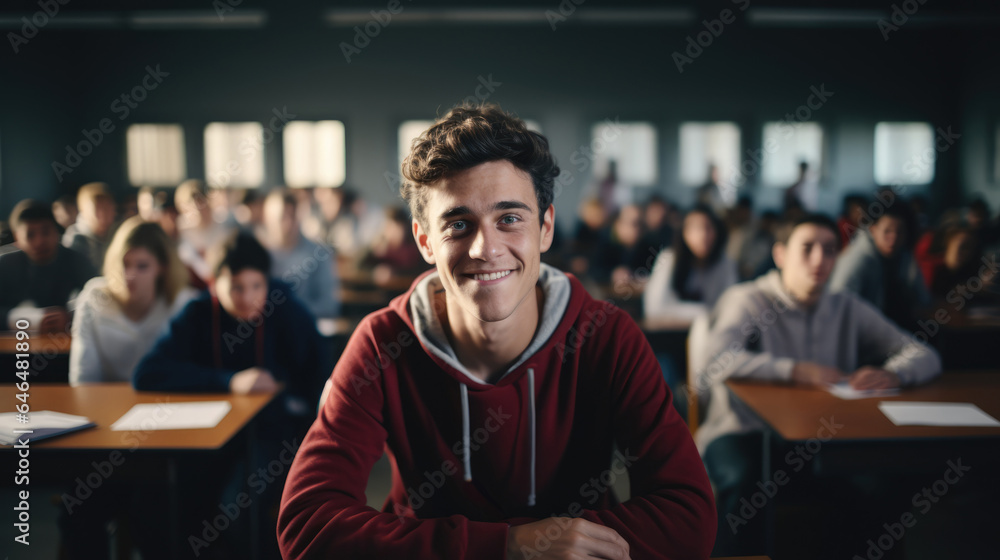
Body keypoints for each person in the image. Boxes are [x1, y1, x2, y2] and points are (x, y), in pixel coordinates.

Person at [277, 104, 716, 560]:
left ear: (545, 228)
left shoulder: (607, 336)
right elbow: (307, 526)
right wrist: (507, 547)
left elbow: (689, 518)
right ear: (425, 241)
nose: (485, 249)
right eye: (458, 224)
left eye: (509, 219)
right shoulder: (382, 343)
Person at [694, 213, 941, 555]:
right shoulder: (749, 299)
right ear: (780, 254)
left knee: (880, 484)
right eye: (807, 248)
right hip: (743, 430)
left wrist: (896, 374)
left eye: (829, 250)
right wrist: (794, 370)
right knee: (747, 480)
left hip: (823, 437)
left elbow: (923, 353)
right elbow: (714, 360)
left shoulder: (846, 306)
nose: (819, 260)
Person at [69, 217, 195, 385]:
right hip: (106, 400)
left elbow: (190, 374)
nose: (130, 275)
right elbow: (84, 379)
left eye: (142, 266)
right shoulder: (94, 299)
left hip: (164, 398)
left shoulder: (184, 303)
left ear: (163, 267)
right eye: (125, 264)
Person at [828, 202, 930, 328]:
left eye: (900, 232)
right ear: (873, 230)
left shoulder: (904, 255)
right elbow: (838, 305)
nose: (893, 238)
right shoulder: (858, 258)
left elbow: (922, 298)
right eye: (887, 231)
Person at [0, 199, 94, 332]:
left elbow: (100, 299)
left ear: (56, 231)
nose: (39, 241)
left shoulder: (75, 260)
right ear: (17, 238)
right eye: (30, 235)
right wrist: (27, 320)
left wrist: (71, 317)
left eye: (46, 232)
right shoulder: (5, 264)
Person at [644, 205, 737, 321]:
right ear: (684, 232)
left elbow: (732, 306)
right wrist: (703, 312)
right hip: (672, 330)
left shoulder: (725, 263)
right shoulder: (668, 259)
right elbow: (654, 308)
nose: (702, 235)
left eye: (708, 228)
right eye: (695, 228)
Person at [259, 189, 341, 318]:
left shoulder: (320, 255)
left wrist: (291, 313)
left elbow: (328, 305)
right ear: (267, 218)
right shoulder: (258, 254)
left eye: (293, 216)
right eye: (282, 217)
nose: (288, 224)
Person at [62, 182, 117, 271]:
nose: (103, 214)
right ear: (83, 211)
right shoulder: (76, 240)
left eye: (107, 208)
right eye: (97, 209)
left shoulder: (119, 232)